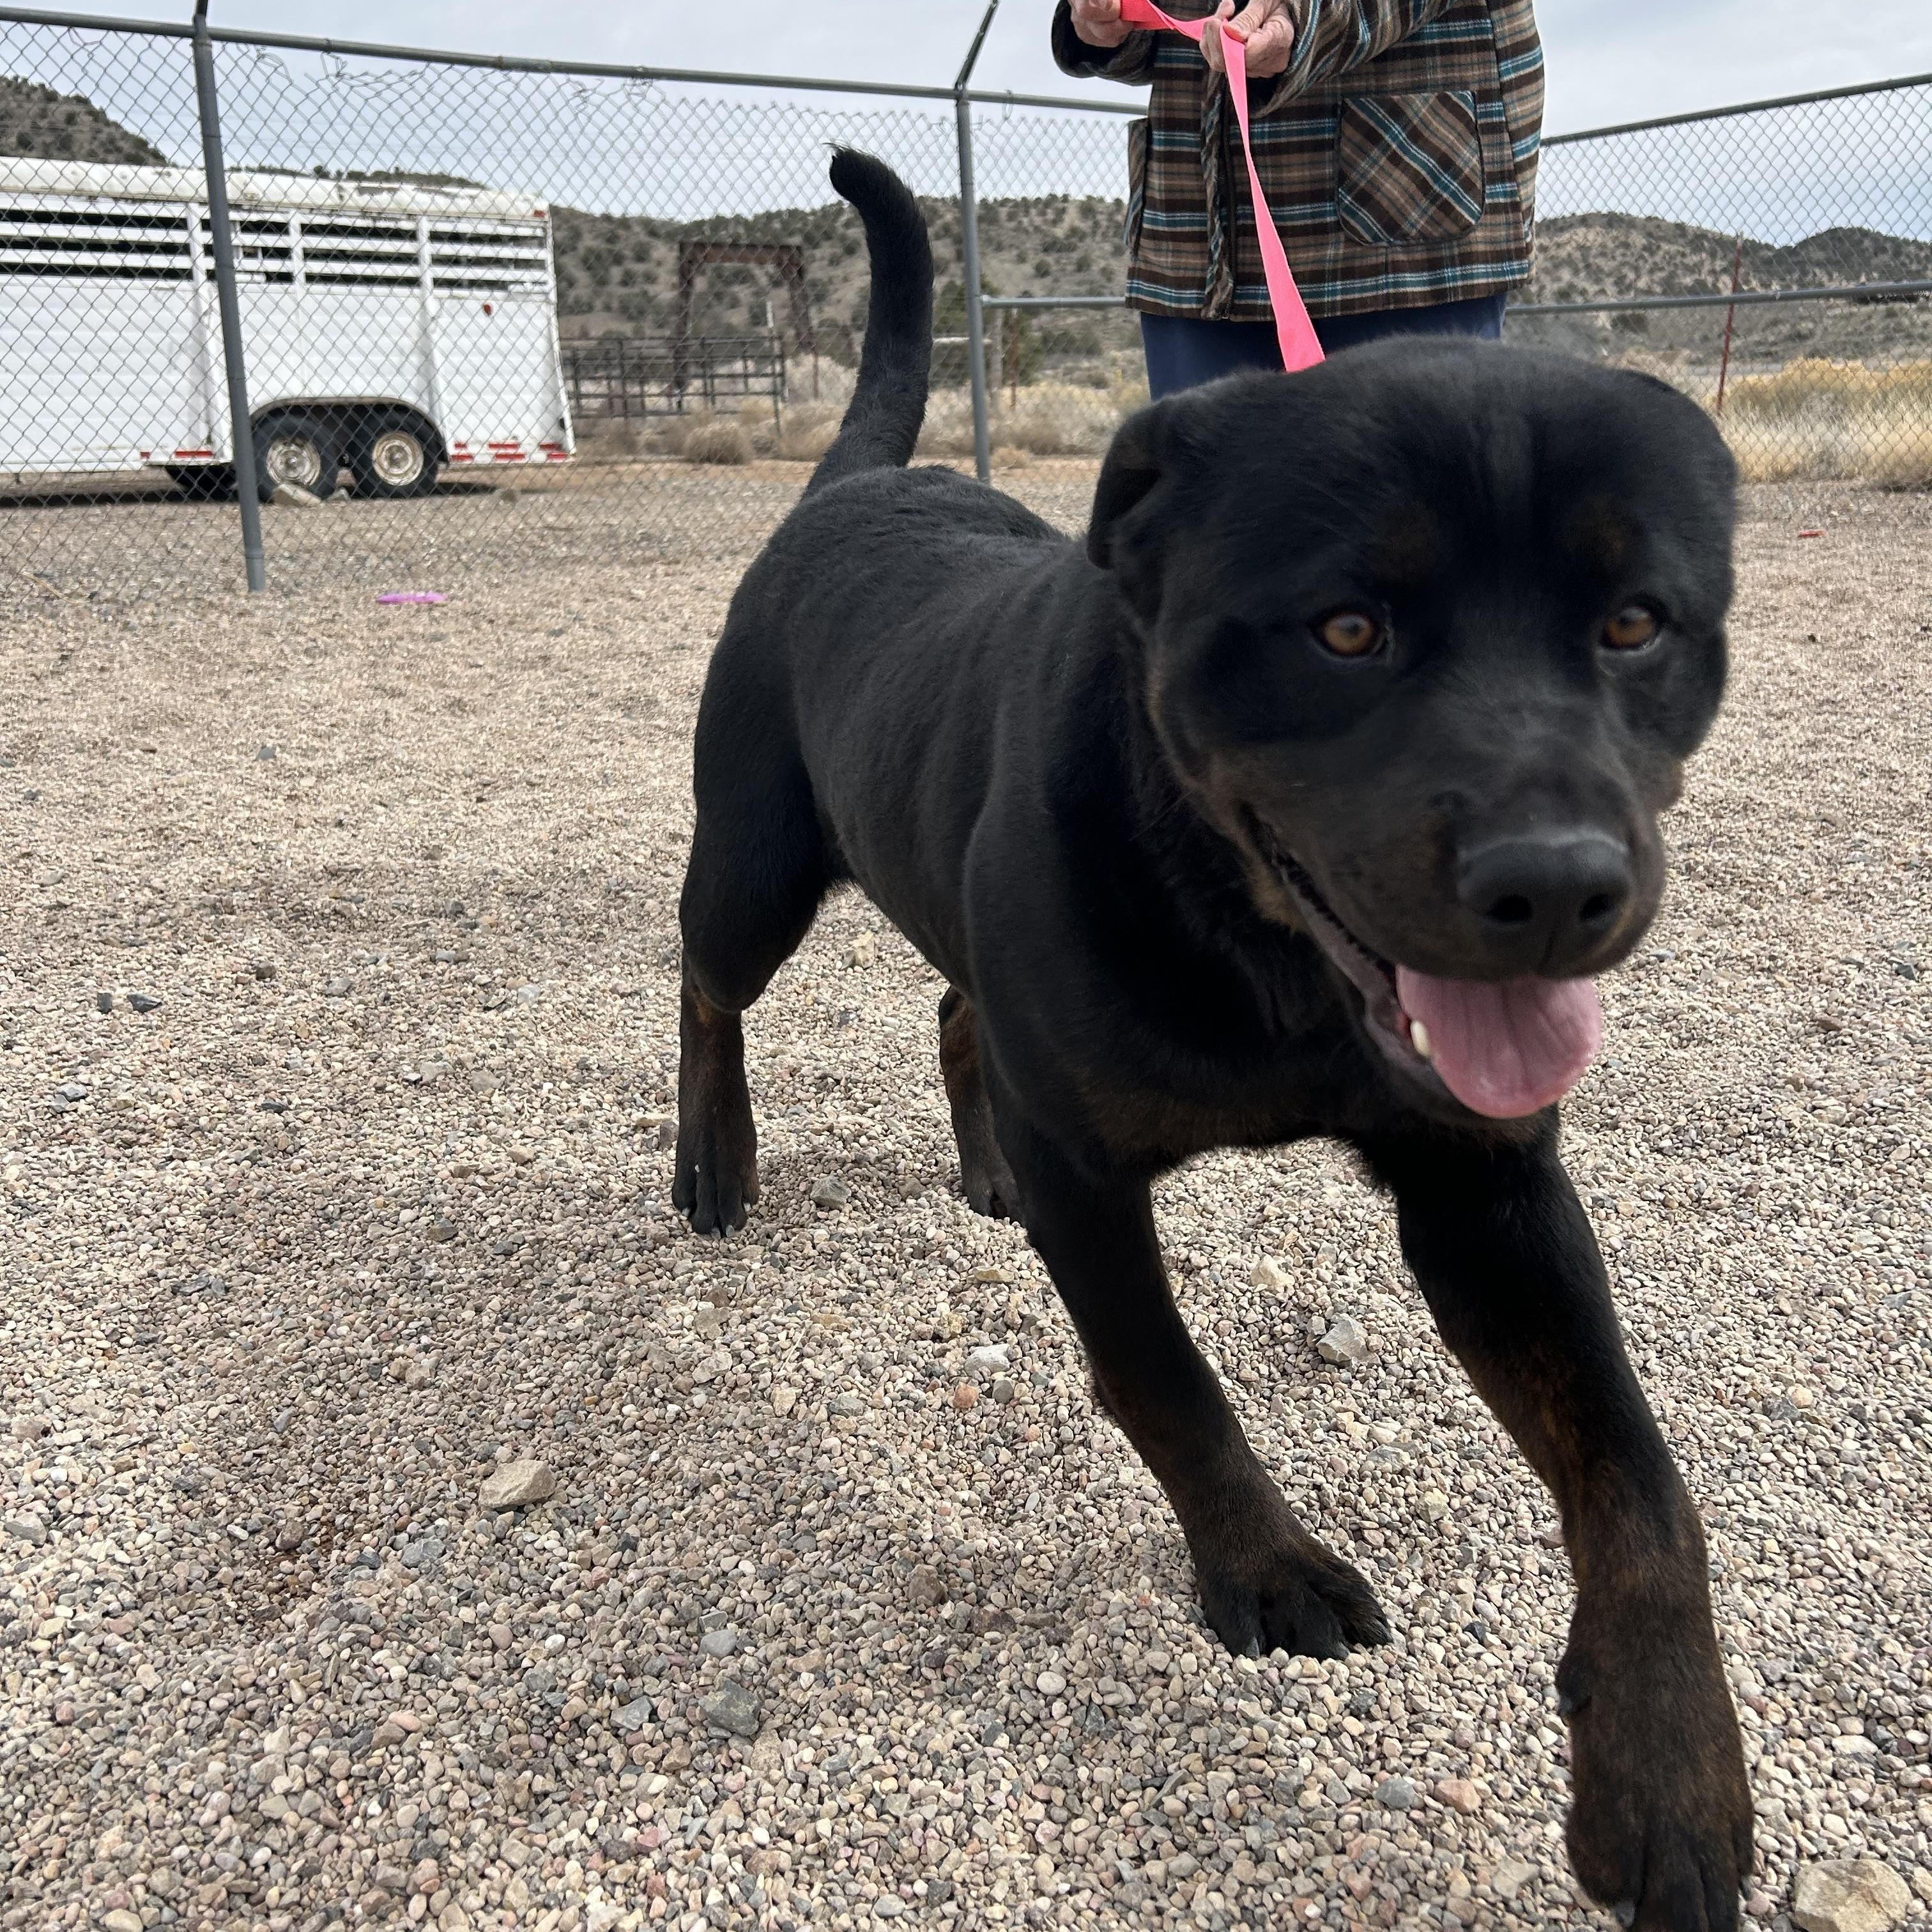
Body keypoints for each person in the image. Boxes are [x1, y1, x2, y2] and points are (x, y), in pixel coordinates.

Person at [1052, 0, 1544, 396]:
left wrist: (1305, 16)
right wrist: (1113, 20)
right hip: (1194, 239)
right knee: (1209, 512)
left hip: (1404, 226)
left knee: (1412, 508)